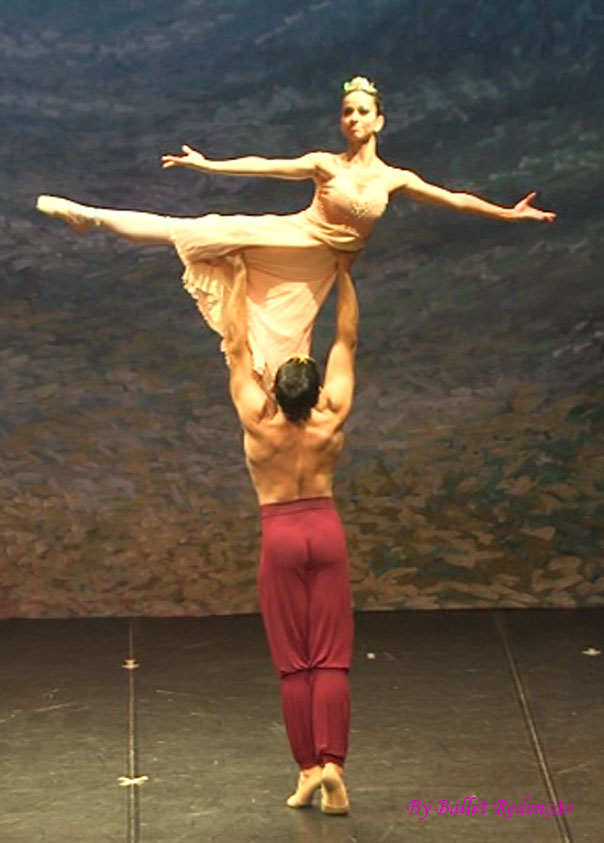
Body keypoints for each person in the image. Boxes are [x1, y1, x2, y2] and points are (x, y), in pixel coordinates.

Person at [36, 75, 556, 384]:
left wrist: (506, 214)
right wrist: (209, 166)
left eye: (362, 112)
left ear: (379, 121)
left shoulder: (397, 178)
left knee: (287, 358)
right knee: (192, 229)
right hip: (296, 239)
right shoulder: (324, 164)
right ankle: (91, 216)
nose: (353, 119)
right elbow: (266, 164)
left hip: (322, 270)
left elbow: (456, 200)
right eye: (347, 112)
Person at [220, 249, 358, 814]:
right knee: (330, 658)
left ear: (276, 390)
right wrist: (343, 273)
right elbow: (346, 339)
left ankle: (306, 765)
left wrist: (236, 277)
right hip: (324, 528)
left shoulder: (258, 418)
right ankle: (332, 769)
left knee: (294, 662)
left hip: (280, 533)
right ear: (317, 388)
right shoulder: (332, 414)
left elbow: (236, 344)